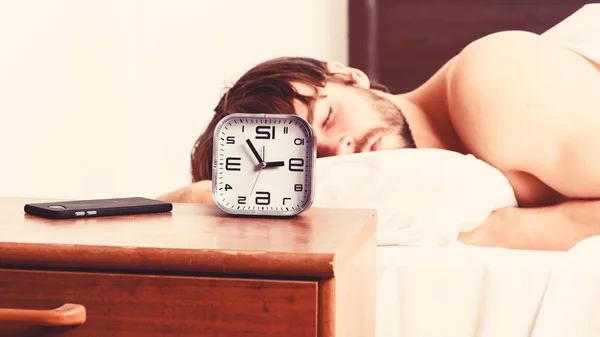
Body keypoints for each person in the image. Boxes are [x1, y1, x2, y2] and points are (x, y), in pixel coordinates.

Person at [159, 5, 600, 251]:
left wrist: (498, 232)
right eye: (319, 164)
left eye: (326, 119)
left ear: (348, 75)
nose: (341, 147)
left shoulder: (491, 83)